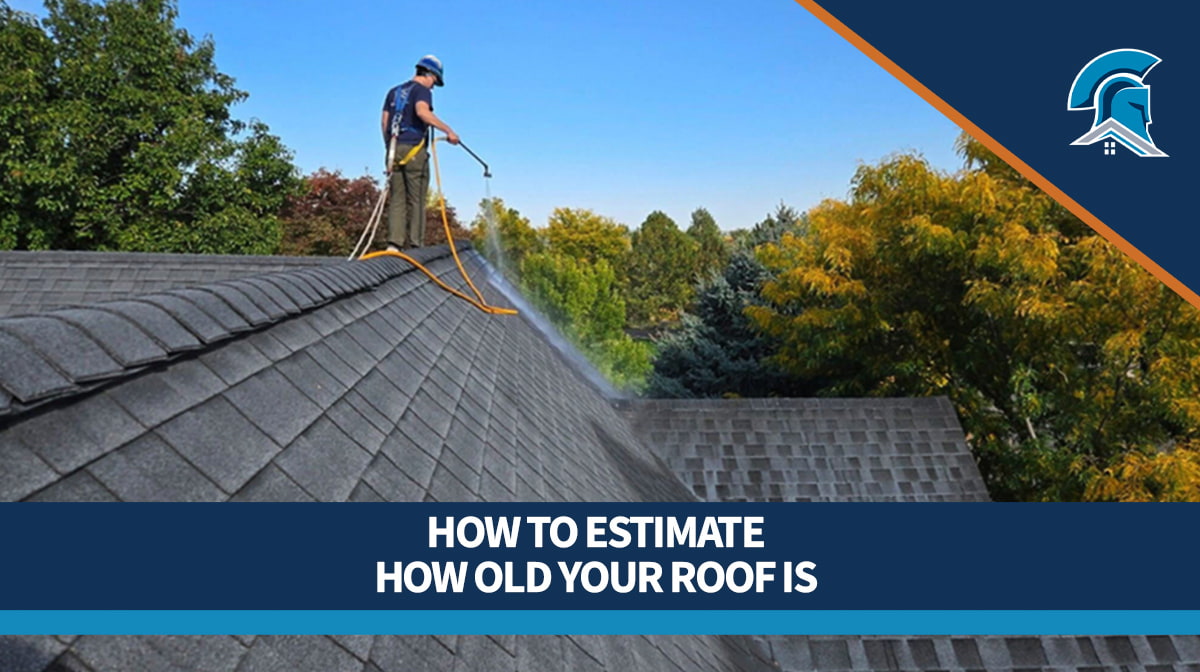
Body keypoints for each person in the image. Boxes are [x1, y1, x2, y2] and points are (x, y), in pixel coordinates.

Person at [380, 54, 460, 250]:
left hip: (393, 150)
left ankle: (394, 244)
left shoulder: (393, 91)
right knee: (416, 199)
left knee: (397, 198)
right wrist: (448, 130)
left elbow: (384, 122)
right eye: (434, 80)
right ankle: (416, 246)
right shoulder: (422, 91)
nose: (433, 86)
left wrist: (389, 147)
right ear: (429, 74)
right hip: (415, 151)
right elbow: (422, 112)